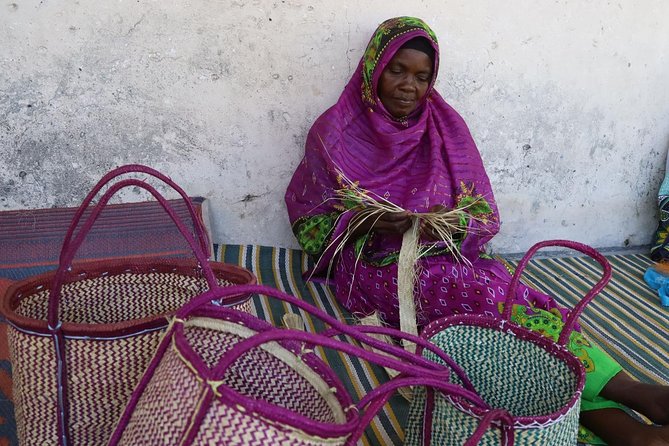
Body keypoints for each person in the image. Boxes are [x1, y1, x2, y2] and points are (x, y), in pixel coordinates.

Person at [285, 16, 669, 446]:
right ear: (373, 66)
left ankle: (628, 413)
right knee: (476, 311)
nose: (409, 85)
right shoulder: (333, 133)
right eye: (397, 70)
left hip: (450, 253)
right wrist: (370, 220)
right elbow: (310, 222)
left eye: (422, 76)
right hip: (375, 266)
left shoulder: (445, 130)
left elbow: (482, 215)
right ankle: (627, 413)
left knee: (518, 298)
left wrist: (443, 224)